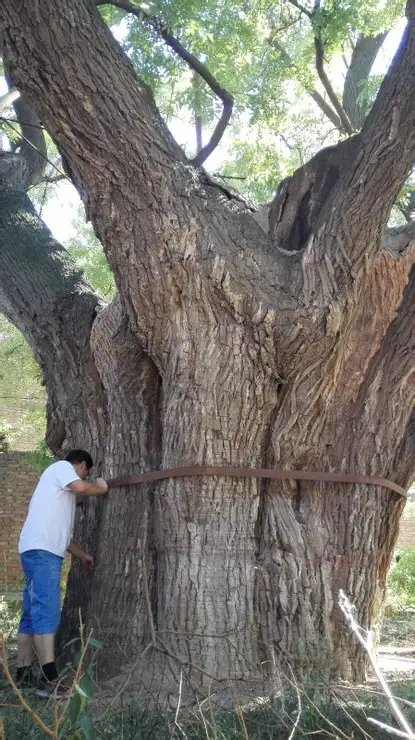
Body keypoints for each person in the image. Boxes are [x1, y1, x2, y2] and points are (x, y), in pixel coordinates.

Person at [16, 449, 108, 697]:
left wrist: (84, 556)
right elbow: (82, 488)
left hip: (36, 550)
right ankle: (48, 681)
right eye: (86, 470)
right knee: (47, 611)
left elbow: (65, 541)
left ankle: (22, 677)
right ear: (80, 465)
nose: (85, 475)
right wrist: (100, 487)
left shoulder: (58, 499)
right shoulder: (61, 468)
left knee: (31, 614)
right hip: (42, 552)